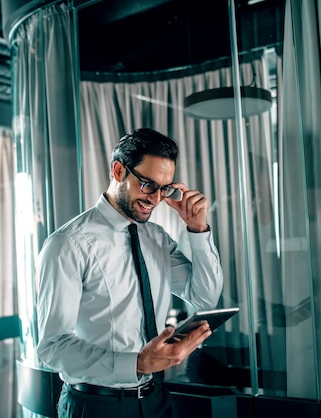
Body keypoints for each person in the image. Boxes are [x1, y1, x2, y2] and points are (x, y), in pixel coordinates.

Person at [36, 128, 224, 418]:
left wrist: (197, 229)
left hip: (156, 400)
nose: (156, 199)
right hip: (96, 406)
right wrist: (137, 363)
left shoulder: (157, 238)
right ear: (118, 170)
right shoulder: (68, 244)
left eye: (164, 188)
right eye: (148, 185)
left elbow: (204, 297)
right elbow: (53, 347)